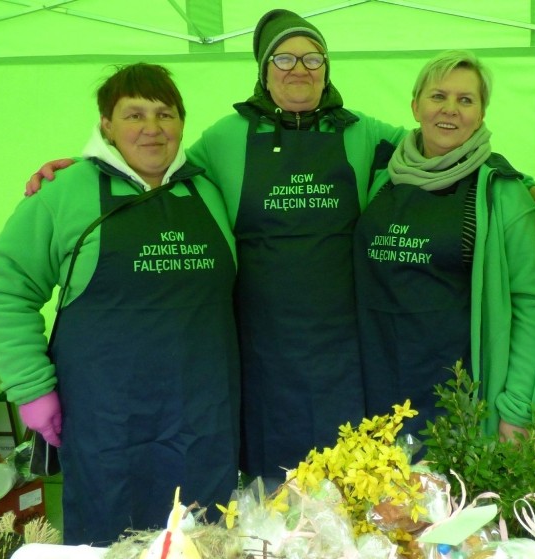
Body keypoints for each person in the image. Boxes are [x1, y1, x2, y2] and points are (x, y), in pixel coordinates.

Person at [23, 10, 406, 485]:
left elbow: (438, 151)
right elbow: (154, 171)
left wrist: (522, 190)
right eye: (283, 57)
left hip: (342, 350)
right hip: (258, 351)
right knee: (273, 490)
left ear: (327, 68)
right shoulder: (226, 138)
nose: (299, 68)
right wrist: (84, 167)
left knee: (348, 485)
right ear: (264, 71)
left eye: (313, 57)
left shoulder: (365, 132)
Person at [0, 63, 240, 545]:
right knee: (110, 542)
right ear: (105, 125)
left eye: (165, 114)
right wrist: (32, 388)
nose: (152, 128)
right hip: (108, 424)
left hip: (204, 419)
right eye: (134, 114)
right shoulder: (64, 193)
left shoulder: (209, 188)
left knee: (205, 541)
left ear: (183, 123)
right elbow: (6, 288)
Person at [353, 50, 535, 443]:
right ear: (415, 106)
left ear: (481, 114)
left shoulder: (503, 192)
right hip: (374, 387)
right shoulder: (381, 176)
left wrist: (514, 405)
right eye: (438, 96)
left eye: (466, 100)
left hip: (460, 399)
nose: (450, 109)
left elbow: (532, 304)